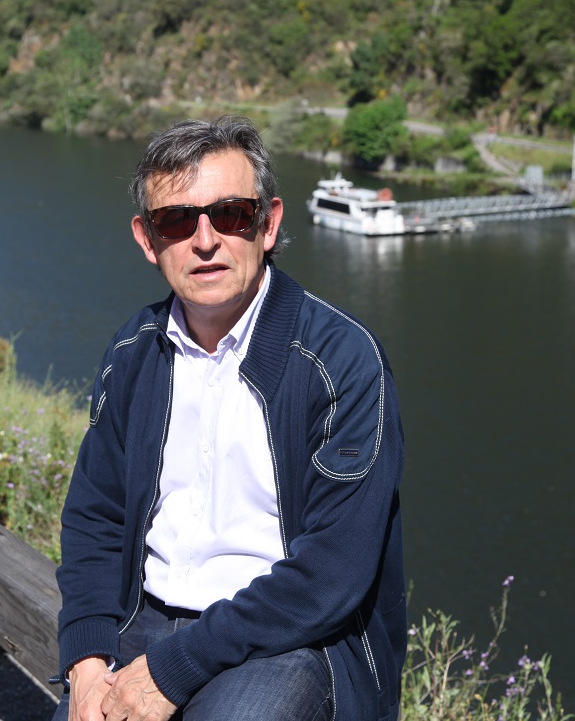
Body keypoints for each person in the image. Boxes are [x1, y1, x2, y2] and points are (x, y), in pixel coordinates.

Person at [52, 116, 406, 721]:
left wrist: (172, 669)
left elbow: (332, 573)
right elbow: (96, 516)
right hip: (144, 616)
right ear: (148, 240)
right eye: (176, 221)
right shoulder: (134, 350)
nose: (205, 240)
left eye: (231, 215)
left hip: (289, 639)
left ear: (268, 224)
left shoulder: (341, 361)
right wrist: (85, 659)